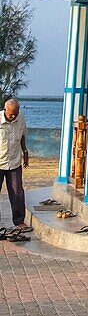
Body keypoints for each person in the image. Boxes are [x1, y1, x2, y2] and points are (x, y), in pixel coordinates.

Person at [0, 98, 31, 233]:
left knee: (17, 192)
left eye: (16, 112)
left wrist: (25, 151)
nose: (14, 116)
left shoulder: (21, 118)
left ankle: (19, 221)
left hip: (14, 162)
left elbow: (22, 135)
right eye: (11, 113)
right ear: (5, 110)